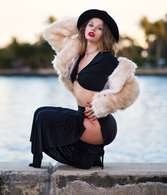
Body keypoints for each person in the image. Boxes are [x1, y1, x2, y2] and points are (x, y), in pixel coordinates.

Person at [29, 9, 140, 169]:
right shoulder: (76, 56)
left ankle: (38, 163)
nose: (93, 29)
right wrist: (81, 22)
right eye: (90, 25)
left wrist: (101, 107)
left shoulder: (106, 58)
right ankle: (89, 156)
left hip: (98, 122)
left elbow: (131, 90)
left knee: (44, 117)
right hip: (82, 115)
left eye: (99, 27)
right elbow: (52, 33)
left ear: (105, 33)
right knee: (40, 112)